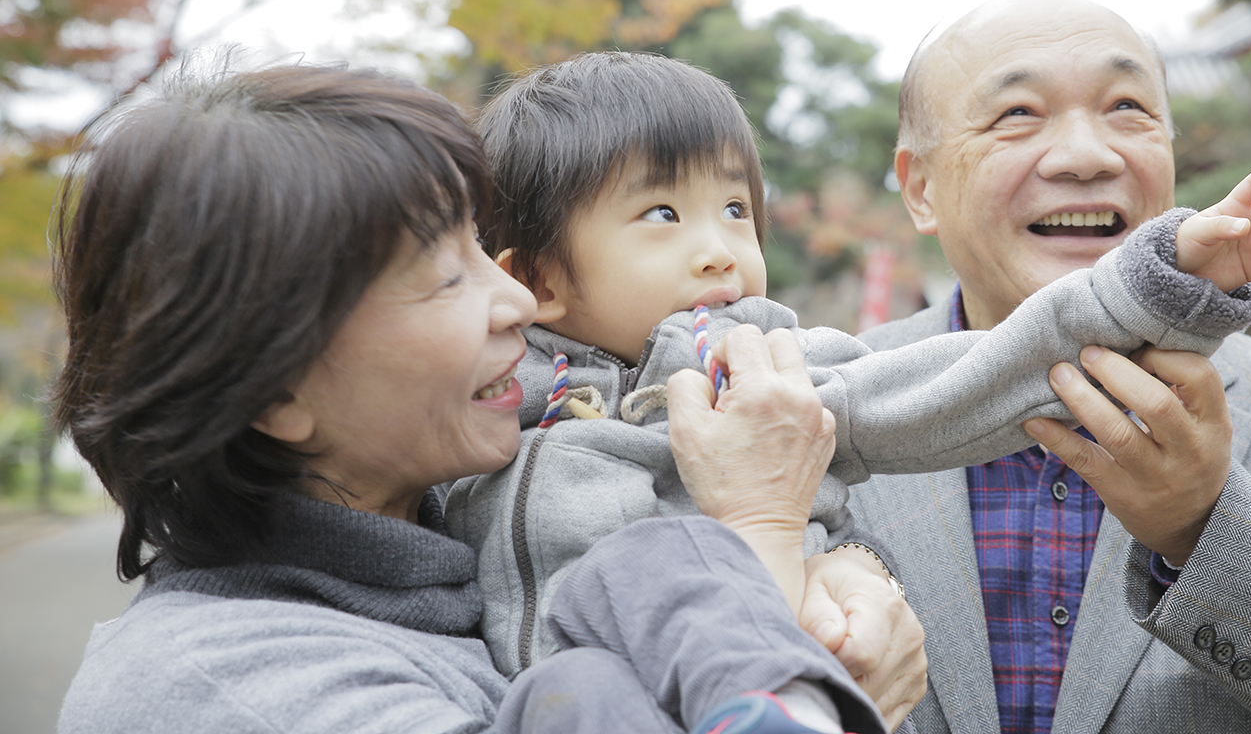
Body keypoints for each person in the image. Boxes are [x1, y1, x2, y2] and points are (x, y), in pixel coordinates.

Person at [49, 64, 893, 734]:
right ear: (272, 389)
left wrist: (848, 564)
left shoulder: (472, 541)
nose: (521, 303)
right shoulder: (239, 689)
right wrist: (761, 535)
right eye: (447, 275)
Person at [445, 51, 1251, 704]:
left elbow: (972, 377)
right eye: (662, 214)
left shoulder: (764, 372)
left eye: (737, 209)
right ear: (537, 282)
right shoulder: (468, 398)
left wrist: (1159, 283)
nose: (722, 248)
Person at [846, 0, 1251, 734]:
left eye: (1127, 107)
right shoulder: (811, 411)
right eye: (1017, 114)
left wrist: (1207, 528)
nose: (1089, 155)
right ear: (921, 188)